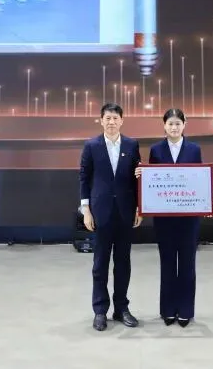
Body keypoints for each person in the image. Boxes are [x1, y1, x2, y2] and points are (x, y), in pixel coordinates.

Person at [136, 108, 206, 327]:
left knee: (187, 263)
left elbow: (200, 179)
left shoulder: (194, 149)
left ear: (184, 125)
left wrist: (207, 200)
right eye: (170, 124)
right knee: (167, 263)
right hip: (164, 217)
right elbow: (151, 181)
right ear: (164, 126)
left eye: (178, 123)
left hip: (188, 217)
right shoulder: (156, 150)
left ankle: (185, 310)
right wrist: (142, 174)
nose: (174, 127)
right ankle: (167, 310)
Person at [79, 102, 142, 332]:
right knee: (100, 264)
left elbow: (137, 179)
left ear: (122, 121)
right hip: (100, 212)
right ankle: (100, 310)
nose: (112, 122)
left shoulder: (132, 145)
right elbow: (84, 178)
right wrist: (86, 210)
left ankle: (121, 308)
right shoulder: (91, 146)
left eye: (115, 118)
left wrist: (139, 208)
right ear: (101, 120)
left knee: (123, 263)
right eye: (108, 118)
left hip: (126, 211)